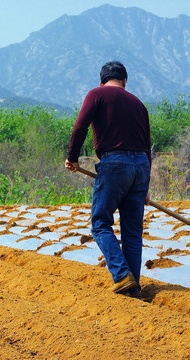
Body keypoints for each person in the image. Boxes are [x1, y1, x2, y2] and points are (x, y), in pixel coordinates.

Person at [65, 61, 151, 297]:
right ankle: (134, 288)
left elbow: (80, 127)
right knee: (132, 232)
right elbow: (147, 146)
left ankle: (122, 275)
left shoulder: (97, 94)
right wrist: (145, 187)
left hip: (115, 164)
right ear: (125, 81)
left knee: (100, 223)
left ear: (101, 81)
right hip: (141, 166)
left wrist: (73, 157)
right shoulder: (138, 103)